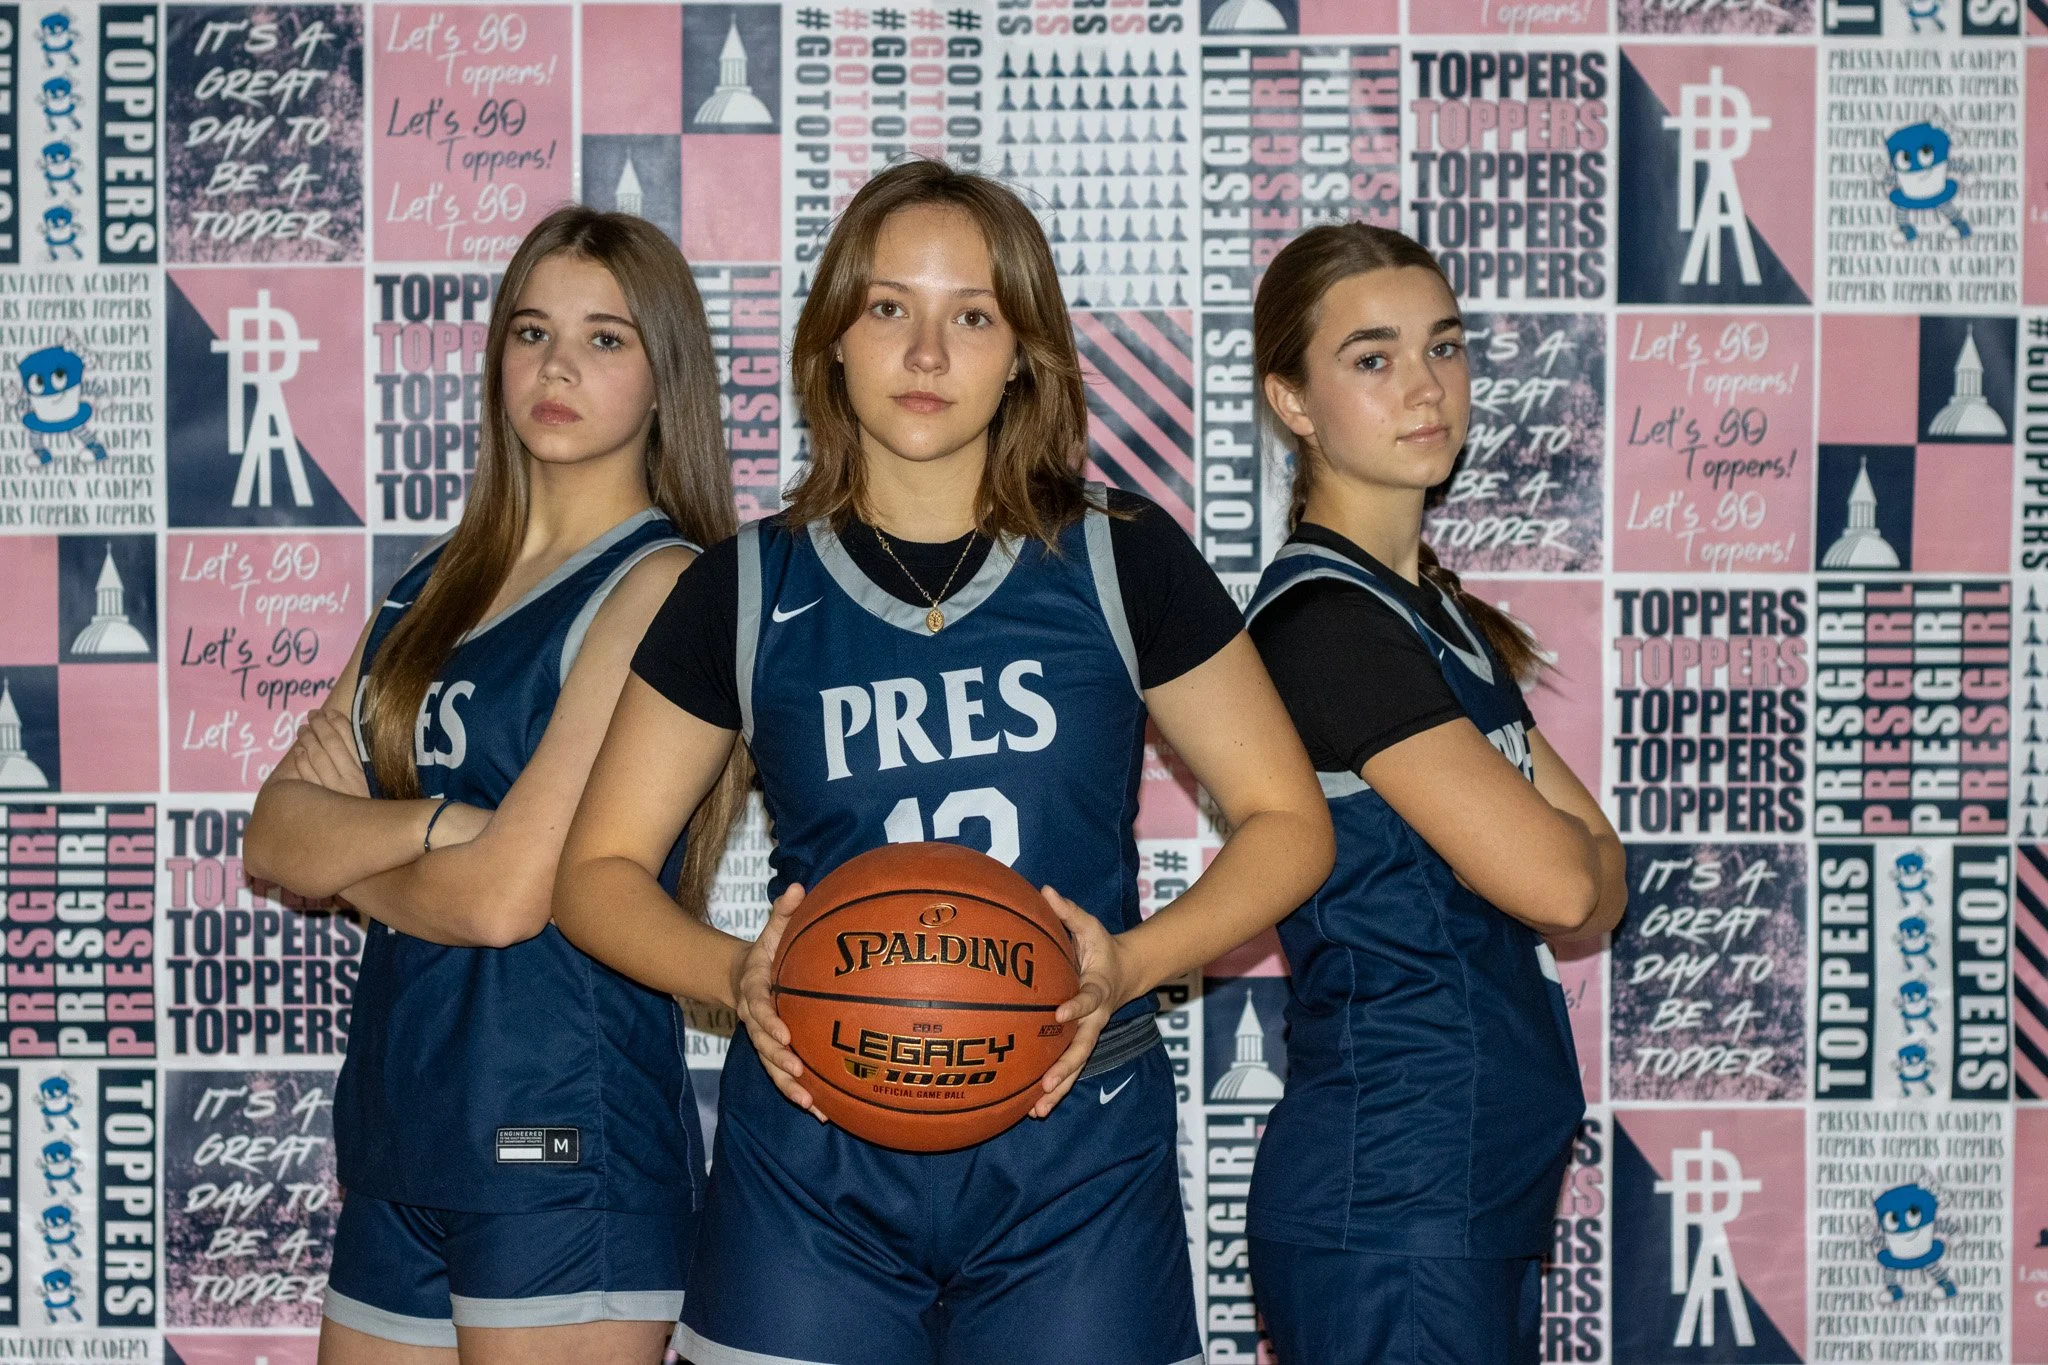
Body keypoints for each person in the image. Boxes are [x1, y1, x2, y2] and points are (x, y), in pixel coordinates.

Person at [552, 158, 1333, 1365]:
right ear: (832, 342)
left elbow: (1289, 821)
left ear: (1021, 350)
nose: (926, 352)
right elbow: (597, 870)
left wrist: (1128, 962)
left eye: (970, 315)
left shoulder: (1121, 560)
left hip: (1072, 1138)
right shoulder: (746, 588)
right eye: (887, 309)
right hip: (814, 1145)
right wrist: (736, 974)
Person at [244, 206, 746, 1365]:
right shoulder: (429, 587)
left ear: (666, 377)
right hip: (396, 1137)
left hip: (558, 1142)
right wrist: (439, 823)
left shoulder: (664, 581)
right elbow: (272, 837)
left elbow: (508, 899)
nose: (556, 365)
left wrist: (363, 862)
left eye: (605, 338)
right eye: (530, 331)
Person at [1241, 223, 1627, 1365]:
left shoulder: (1431, 614)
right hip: (1394, 1204)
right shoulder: (1326, 628)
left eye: (1443, 348)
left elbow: (1598, 879)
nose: (1424, 388)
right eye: (1370, 358)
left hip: (1457, 1204)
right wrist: (1568, 861)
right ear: (1291, 402)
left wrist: (1573, 863)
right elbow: (1565, 882)